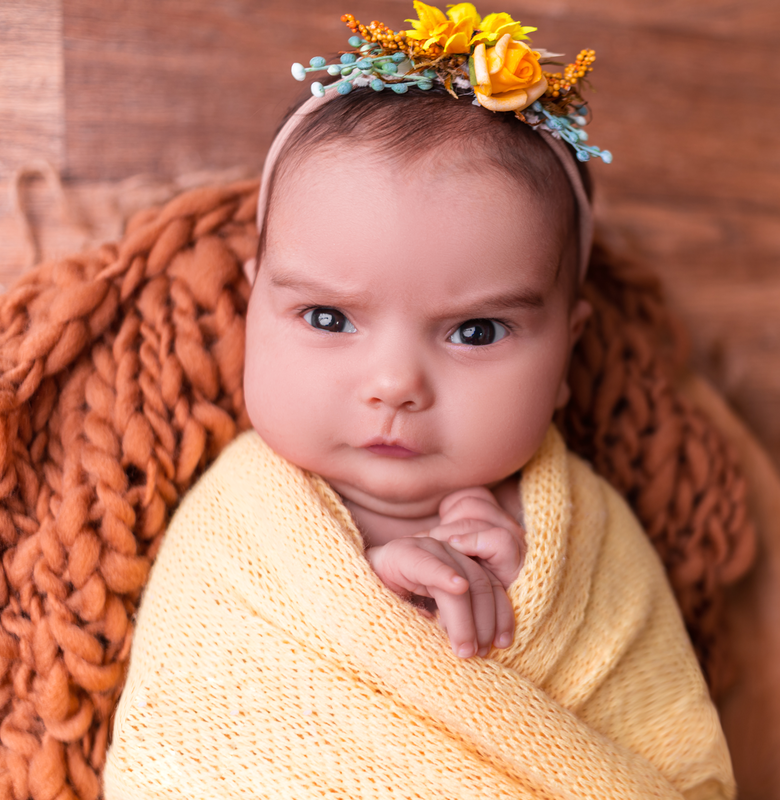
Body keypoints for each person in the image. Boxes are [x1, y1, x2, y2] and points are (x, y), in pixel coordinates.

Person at [102, 5, 735, 799]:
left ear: (566, 355)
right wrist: (383, 611)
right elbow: (185, 743)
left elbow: (680, 764)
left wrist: (519, 618)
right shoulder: (235, 533)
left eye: (475, 331)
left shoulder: (594, 541)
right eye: (328, 318)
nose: (395, 383)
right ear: (251, 306)